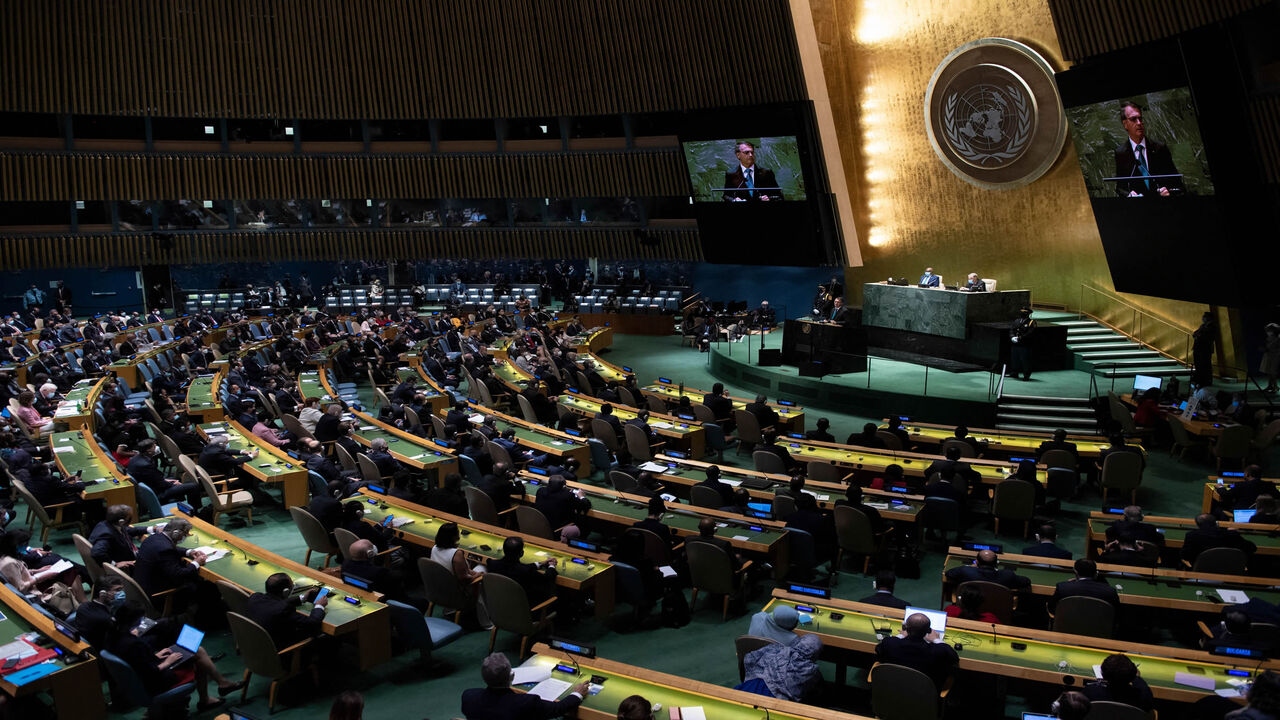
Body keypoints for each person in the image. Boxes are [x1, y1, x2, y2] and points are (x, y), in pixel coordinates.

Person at [107, 601, 244, 712]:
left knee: (196, 652)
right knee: (197, 657)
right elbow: (149, 672)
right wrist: (167, 662)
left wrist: (156, 655)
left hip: (140, 677)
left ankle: (219, 686)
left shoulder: (112, 636)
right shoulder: (133, 644)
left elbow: (137, 661)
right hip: (156, 682)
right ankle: (212, 693)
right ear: (134, 621)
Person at [461, 651, 586, 720]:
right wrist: (577, 693)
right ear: (512, 675)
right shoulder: (527, 702)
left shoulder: (469, 696)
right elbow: (558, 708)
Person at [1113, 101, 1182, 198]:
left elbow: (1176, 182)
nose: (1139, 123)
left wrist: (1168, 192)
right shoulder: (1121, 153)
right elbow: (1120, 187)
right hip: (1139, 209)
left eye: (1140, 119)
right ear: (1125, 124)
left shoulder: (1159, 148)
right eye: (1133, 119)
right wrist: (1129, 195)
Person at [875, 612, 959, 689]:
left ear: (905, 628)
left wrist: (900, 635)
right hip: (923, 697)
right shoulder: (937, 651)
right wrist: (936, 639)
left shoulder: (890, 644)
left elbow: (879, 649)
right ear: (928, 631)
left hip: (891, 691)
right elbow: (954, 657)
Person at [132, 517, 206, 599]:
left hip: (143, 584)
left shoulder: (153, 538)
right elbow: (179, 575)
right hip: (158, 594)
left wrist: (189, 552)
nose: (186, 536)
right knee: (206, 586)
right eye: (185, 534)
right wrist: (196, 563)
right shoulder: (165, 550)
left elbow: (170, 548)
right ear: (176, 533)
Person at [741, 634, 823, 701]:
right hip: (775, 699)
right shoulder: (811, 671)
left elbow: (750, 658)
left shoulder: (777, 649)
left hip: (754, 684)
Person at [485, 537, 557, 605]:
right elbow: (547, 579)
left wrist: (540, 563)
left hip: (498, 605)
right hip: (525, 608)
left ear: (504, 550)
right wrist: (552, 566)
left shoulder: (492, 564)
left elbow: (515, 567)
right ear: (522, 553)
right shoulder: (526, 572)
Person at [89, 503, 155, 569]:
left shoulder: (108, 524)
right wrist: (114, 564)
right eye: (129, 518)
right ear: (121, 522)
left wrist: (152, 529)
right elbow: (97, 552)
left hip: (130, 552)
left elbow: (128, 530)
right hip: (131, 563)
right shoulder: (107, 534)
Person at [1082, 653, 1153, 711]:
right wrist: (1137, 678)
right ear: (1133, 674)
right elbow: (1144, 690)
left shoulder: (1090, 692)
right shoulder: (1143, 697)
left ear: (1103, 674)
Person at [1182, 513, 1257, 565]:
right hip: (1229, 571)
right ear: (1216, 523)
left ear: (1198, 525)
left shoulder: (1192, 535)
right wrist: (1233, 532)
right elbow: (1252, 548)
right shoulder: (1231, 534)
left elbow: (1185, 555)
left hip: (1201, 571)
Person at [1048, 559, 1119, 613]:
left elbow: (1051, 609)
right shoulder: (1110, 591)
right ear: (1096, 573)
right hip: (1098, 629)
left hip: (1067, 626)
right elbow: (1116, 613)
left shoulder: (1063, 588)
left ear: (1075, 572)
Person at [943, 549, 1030, 591]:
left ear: (977, 562)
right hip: (998, 608)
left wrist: (971, 567)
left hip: (970, 606)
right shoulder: (1008, 575)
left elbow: (948, 573)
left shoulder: (966, 571)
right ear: (996, 563)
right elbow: (1026, 581)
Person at [1009, 307, 1035, 381]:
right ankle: (1014, 373)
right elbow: (1012, 330)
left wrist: (1019, 338)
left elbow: (1030, 333)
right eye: (1022, 312)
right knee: (1015, 359)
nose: (1022, 314)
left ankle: (1026, 375)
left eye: (1024, 312)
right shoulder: (1017, 321)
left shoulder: (1031, 322)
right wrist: (1012, 337)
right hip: (1015, 344)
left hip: (1024, 344)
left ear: (1028, 314)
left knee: (1025, 360)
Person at [1192, 312, 1217, 387]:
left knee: (1205, 365)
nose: (1202, 318)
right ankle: (1200, 380)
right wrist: (1198, 335)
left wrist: (1199, 335)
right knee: (1198, 365)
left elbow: (1204, 336)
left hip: (1205, 350)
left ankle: (1206, 381)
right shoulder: (1203, 326)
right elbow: (1195, 334)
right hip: (1198, 349)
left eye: (1204, 317)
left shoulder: (1212, 326)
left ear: (1208, 318)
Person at [1262, 323, 1280, 394]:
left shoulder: (1278, 338)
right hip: (1269, 355)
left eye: (1269, 330)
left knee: (1273, 371)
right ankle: (1270, 385)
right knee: (1269, 371)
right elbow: (1268, 346)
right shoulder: (1269, 337)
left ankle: (1275, 386)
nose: (1267, 332)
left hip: (1276, 356)